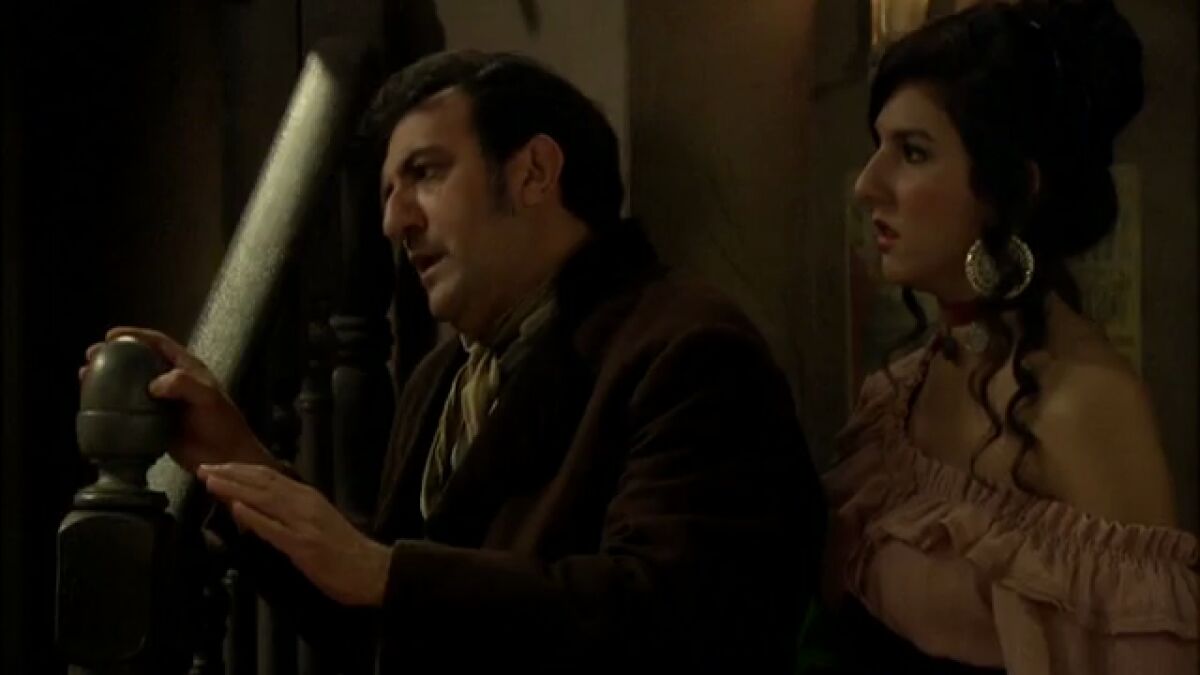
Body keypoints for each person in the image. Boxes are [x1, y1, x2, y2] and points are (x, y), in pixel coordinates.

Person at [84, 51, 825, 673]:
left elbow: (674, 614)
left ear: (534, 172)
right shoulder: (440, 379)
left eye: (426, 173)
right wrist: (235, 459)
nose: (394, 221)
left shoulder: (689, 349)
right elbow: (380, 619)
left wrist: (388, 573)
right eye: (389, 192)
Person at [812, 1, 1199, 673]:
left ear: (1012, 188)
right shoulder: (897, 391)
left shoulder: (1084, 408)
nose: (869, 186)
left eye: (913, 152)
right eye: (878, 146)